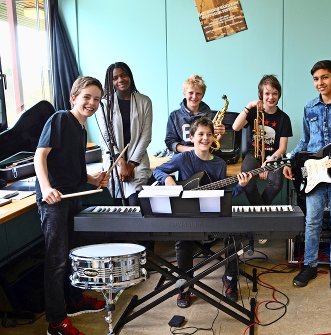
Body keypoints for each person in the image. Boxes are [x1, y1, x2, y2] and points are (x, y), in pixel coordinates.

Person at [34, 76, 109, 335]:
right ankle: (56, 322)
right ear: (73, 97)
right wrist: (46, 189)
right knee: (56, 260)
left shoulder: (81, 127)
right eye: (86, 97)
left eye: (97, 99)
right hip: (53, 199)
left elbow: (73, 166)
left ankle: (75, 300)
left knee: (75, 253)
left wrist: (92, 178)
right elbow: (39, 156)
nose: (91, 102)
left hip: (73, 195)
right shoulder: (61, 119)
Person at [154, 117, 251, 307]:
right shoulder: (183, 157)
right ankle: (185, 285)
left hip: (213, 213)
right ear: (191, 137)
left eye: (209, 135)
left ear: (214, 138)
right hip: (189, 214)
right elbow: (158, 170)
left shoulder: (219, 164)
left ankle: (230, 279)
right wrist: (167, 179)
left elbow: (225, 195)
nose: (205, 138)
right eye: (200, 134)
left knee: (234, 234)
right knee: (183, 240)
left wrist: (241, 186)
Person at [283, 60, 331, 291]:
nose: (320, 83)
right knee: (312, 221)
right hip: (313, 173)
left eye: (324, 77)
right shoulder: (309, 107)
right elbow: (305, 142)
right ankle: (310, 266)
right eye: (316, 79)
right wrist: (289, 162)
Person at [96, 62, 153, 206]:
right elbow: (106, 138)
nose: (120, 80)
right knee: (119, 206)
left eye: (124, 75)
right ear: (110, 82)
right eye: (115, 78)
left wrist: (131, 165)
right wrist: (121, 163)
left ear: (130, 76)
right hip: (114, 161)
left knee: (135, 203)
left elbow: (146, 136)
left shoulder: (144, 101)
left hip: (137, 161)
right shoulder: (104, 105)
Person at [232, 74, 292, 205]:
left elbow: (282, 148)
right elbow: (235, 127)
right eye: (267, 93)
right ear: (261, 95)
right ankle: (262, 212)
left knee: (276, 184)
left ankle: (260, 210)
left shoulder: (284, 118)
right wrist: (249, 105)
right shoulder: (253, 112)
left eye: (275, 93)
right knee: (247, 181)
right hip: (252, 154)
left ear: (279, 95)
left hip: (273, 156)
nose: (271, 97)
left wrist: (268, 163)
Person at [165, 74, 225, 153]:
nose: (194, 97)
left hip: (205, 155)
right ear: (184, 93)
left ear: (202, 95)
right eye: (190, 93)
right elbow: (170, 142)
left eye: (198, 93)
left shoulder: (210, 115)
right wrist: (191, 150)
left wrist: (221, 134)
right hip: (183, 156)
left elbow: (213, 143)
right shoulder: (174, 116)